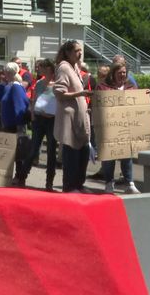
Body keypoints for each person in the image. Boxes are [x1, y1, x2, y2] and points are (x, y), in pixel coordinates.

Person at [96, 62, 142, 194]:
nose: (122, 75)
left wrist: (144, 96)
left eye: (124, 72)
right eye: (119, 72)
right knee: (109, 156)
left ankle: (130, 183)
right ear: (113, 73)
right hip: (109, 127)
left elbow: (137, 104)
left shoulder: (131, 87)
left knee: (127, 155)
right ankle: (109, 182)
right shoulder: (103, 87)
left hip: (125, 126)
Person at [53, 40, 92, 193]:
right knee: (72, 156)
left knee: (83, 154)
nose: (80, 53)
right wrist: (81, 93)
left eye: (80, 50)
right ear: (68, 52)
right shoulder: (63, 67)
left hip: (80, 119)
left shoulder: (75, 67)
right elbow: (59, 93)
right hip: (70, 121)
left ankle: (78, 185)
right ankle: (70, 187)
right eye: (76, 51)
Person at [18, 59, 58, 190]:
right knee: (33, 148)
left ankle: (49, 182)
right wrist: (33, 116)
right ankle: (22, 176)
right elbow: (34, 100)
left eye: (44, 68)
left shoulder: (58, 84)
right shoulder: (40, 83)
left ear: (50, 70)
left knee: (51, 151)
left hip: (52, 120)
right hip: (39, 119)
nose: (41, 70)